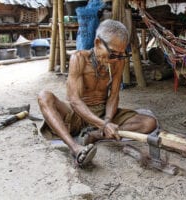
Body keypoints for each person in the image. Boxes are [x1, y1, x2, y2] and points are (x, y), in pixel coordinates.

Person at [38, 19, 157, 168]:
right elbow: (74, 100)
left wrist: (107, 121)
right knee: (44, 96)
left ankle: (95, 135)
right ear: (97, 43)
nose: (116, 59)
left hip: (102, 113)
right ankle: (75, 148)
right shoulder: (79, 59)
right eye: (113, 53)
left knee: (148, 122)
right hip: (77, 114)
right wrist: (104, 124)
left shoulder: (118, 62)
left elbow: (114, 96)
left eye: (121, 54)